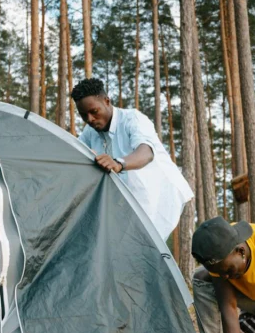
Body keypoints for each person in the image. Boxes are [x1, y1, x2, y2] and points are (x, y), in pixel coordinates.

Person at [72, 78, 192, 239]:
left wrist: (118, 163)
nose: (90, 119)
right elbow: (76, 154)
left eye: (94, 111)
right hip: (128, 202)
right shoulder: (90, 131)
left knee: (147, 251)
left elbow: (146, 152)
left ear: (107, 101)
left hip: (159, 197)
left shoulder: (133, 119)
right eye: (83, 115)